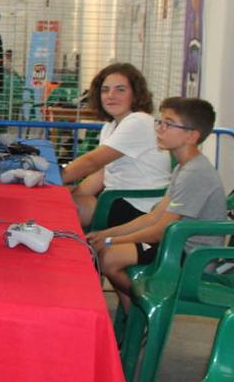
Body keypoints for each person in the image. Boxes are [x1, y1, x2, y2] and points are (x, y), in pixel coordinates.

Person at [87, 97, 226, 306]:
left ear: (191, 136)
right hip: (175, 244)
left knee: (109, 258)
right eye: (159, 122)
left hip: (190, 256)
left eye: (168, 124)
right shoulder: (182, 167)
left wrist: (111, 241)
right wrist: (105, 234)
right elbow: (154, 216)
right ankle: (132, 318)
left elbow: (161, 230)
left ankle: (149, 308)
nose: (159, 129)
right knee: (107, 252)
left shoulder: (195, 173)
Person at [60, 63, 172, 228]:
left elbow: (91, 162)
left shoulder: (138, 121)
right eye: (105, 90)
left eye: (120, 90)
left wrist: (52, 178)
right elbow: (100, 174)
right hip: (116, 199)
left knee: (63, 208)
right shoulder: (110, 127)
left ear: (135, 94)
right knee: (61, 202)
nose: (111, 96)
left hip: (141, 207)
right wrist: (69, 193)